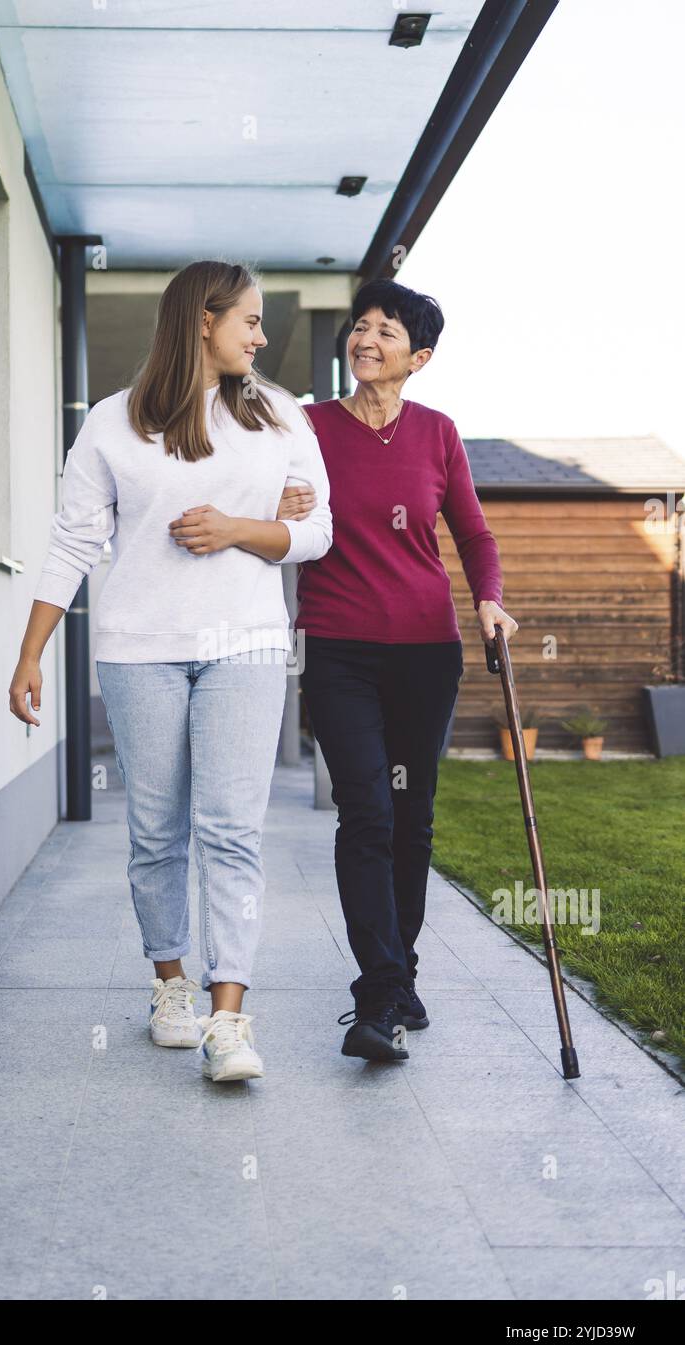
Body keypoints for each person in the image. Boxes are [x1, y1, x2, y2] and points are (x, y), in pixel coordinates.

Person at [8, 261, 332, 1082]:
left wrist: (240, 529)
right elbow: (74, 541)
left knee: (229, 830)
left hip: (249, 645)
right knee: (157, 834)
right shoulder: (114, 423)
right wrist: (30, 652)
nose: (260, 337)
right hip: (138, 649)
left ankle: (229, 1019)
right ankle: (171, 988)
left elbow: (318, 530)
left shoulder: (280, 416)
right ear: (200, 321)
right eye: (249, 321)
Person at [293, 279, 518, 1063]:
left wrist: (489, 600)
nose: (366, 339)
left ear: (417, 358)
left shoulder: (437, 433)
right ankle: (380, 992)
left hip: (426, 649)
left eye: (386, 331)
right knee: (366, 813)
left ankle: (400, 971)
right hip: (338, 648)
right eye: (360, 327)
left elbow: (474, 537)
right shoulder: (308, 425)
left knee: (411, 818)